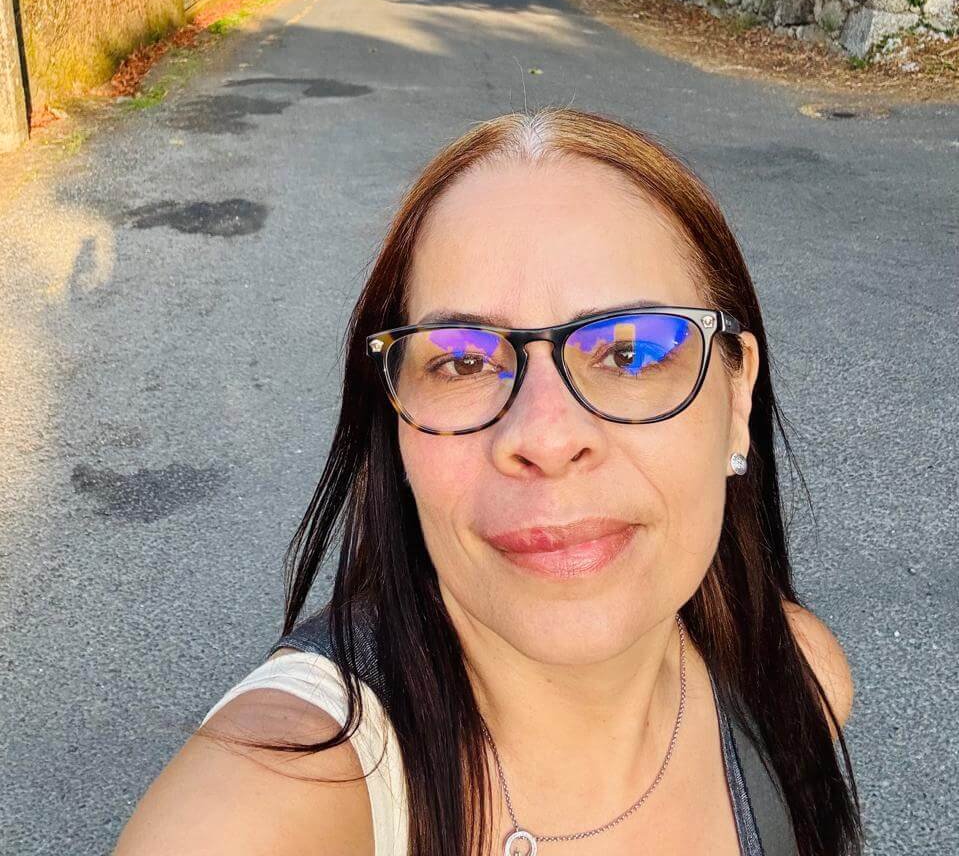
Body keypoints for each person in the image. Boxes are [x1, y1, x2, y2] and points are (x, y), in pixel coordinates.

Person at [115, 108, 862, 856]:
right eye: (463, 362)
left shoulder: (797, 686)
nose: (546, 437)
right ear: (395, 422)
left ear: (736, 399)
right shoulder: (269, 801)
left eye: (631, 352)